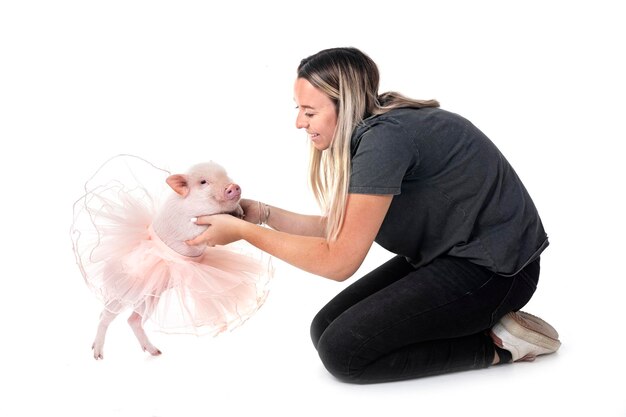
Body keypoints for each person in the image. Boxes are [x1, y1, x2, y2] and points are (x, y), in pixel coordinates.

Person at [186, 47, 561, 384]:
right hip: (453, 257)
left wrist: (243, 232)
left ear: (344, 104)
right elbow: (338, 227)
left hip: (498, 272)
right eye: (298, 109)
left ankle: (501, 347)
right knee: (325, 328)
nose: (300, 123)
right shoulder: (379, 129)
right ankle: (475, 322)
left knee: (344, 353)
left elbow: (339, 262)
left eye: (310, 111)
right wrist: (261, 214)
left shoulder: (386, 140)